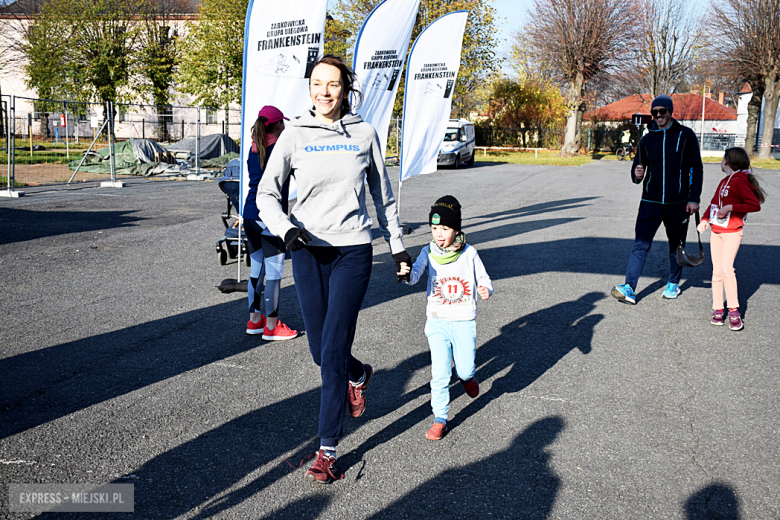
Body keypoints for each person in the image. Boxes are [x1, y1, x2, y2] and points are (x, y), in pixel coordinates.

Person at [256, 55, 411, 484]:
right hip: (307, 250)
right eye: (317, 84)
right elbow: (266, 195)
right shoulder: (293, 136)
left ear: (346, 89)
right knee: (320, 350)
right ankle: (357, 372)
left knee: (331, 349)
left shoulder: (363, 133)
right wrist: (286, 230)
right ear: (309, 88)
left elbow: (383, 196)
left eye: (333, 85)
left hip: (353, 253)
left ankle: (327, 449)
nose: (324, 92)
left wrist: (397, 247)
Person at [398, 196, 492, 441]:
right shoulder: (427, 252)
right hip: (437, 321)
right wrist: (407, 274)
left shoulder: (469, 253)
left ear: (456, 229)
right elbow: (416, 274)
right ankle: (440, 418)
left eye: (445, 229)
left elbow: (484, 278)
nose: (439, 234)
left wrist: (485, 289)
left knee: (464, 368)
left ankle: (468, 377)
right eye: (434, 229)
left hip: (463, 321)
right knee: (439, 374)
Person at [612, 94, 703, 304]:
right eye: (655, 112)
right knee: (640, 245)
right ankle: (629, 288)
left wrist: (693, 198)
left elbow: (696, 168)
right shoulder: (647, 139)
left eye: (663, 111)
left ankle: (673, 283)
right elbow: (637, 170)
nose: (659, 115)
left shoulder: (685, 135)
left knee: (675, 246)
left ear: (671, 112)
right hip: (650, 203)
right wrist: (636, 175)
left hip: (678, 204)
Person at [242, 106, 298, 341]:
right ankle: (272, 326)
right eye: (282, 123)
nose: (284, 126)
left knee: (257, 270)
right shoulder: (279, 149)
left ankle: (255, 320)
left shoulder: (253, 147)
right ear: (276, 125)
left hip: (249, 215)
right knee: (274, 273)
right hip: (270, 217)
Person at [696, 147, 765, 331]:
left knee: (727, 269)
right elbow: (713, 203)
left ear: (726, 161)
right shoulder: (724, 181)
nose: (721, 161)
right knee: (717, 272)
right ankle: (718, 309)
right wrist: (704, 220)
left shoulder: (740, 181)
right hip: (716, 231)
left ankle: (734, 310)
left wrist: (730, 208)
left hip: (732, 232)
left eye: (722, 158)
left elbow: (754, 205)